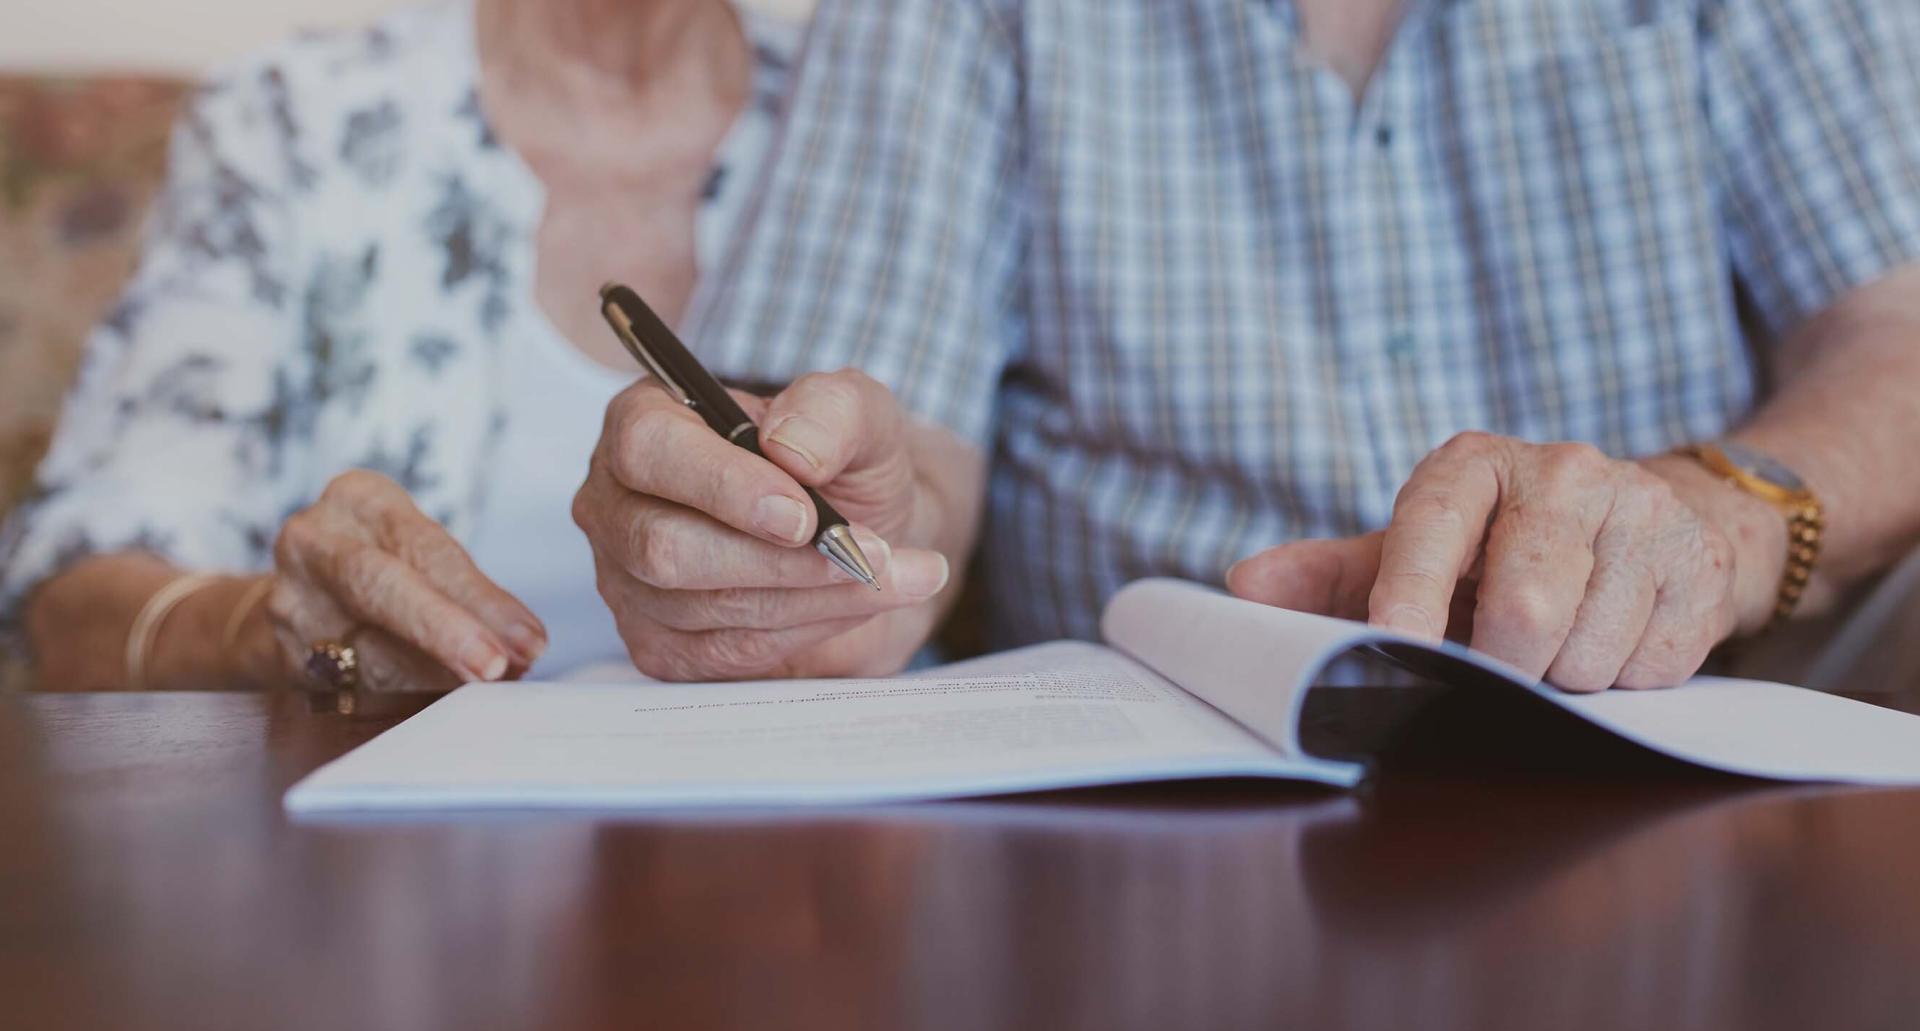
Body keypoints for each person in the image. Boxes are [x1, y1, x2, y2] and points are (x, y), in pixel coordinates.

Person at [570, 0, 1920, 690]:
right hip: (1140, 868)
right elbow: (891, 457)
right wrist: (799, 553)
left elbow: (1898, 336)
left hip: (1694, 792)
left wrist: (1713, 521)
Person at [0, 0, 807, 690]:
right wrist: (256, 626)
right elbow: (72, 604)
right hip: (397, 840)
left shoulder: (869, 117)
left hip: (820, 811)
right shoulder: (294, 118)